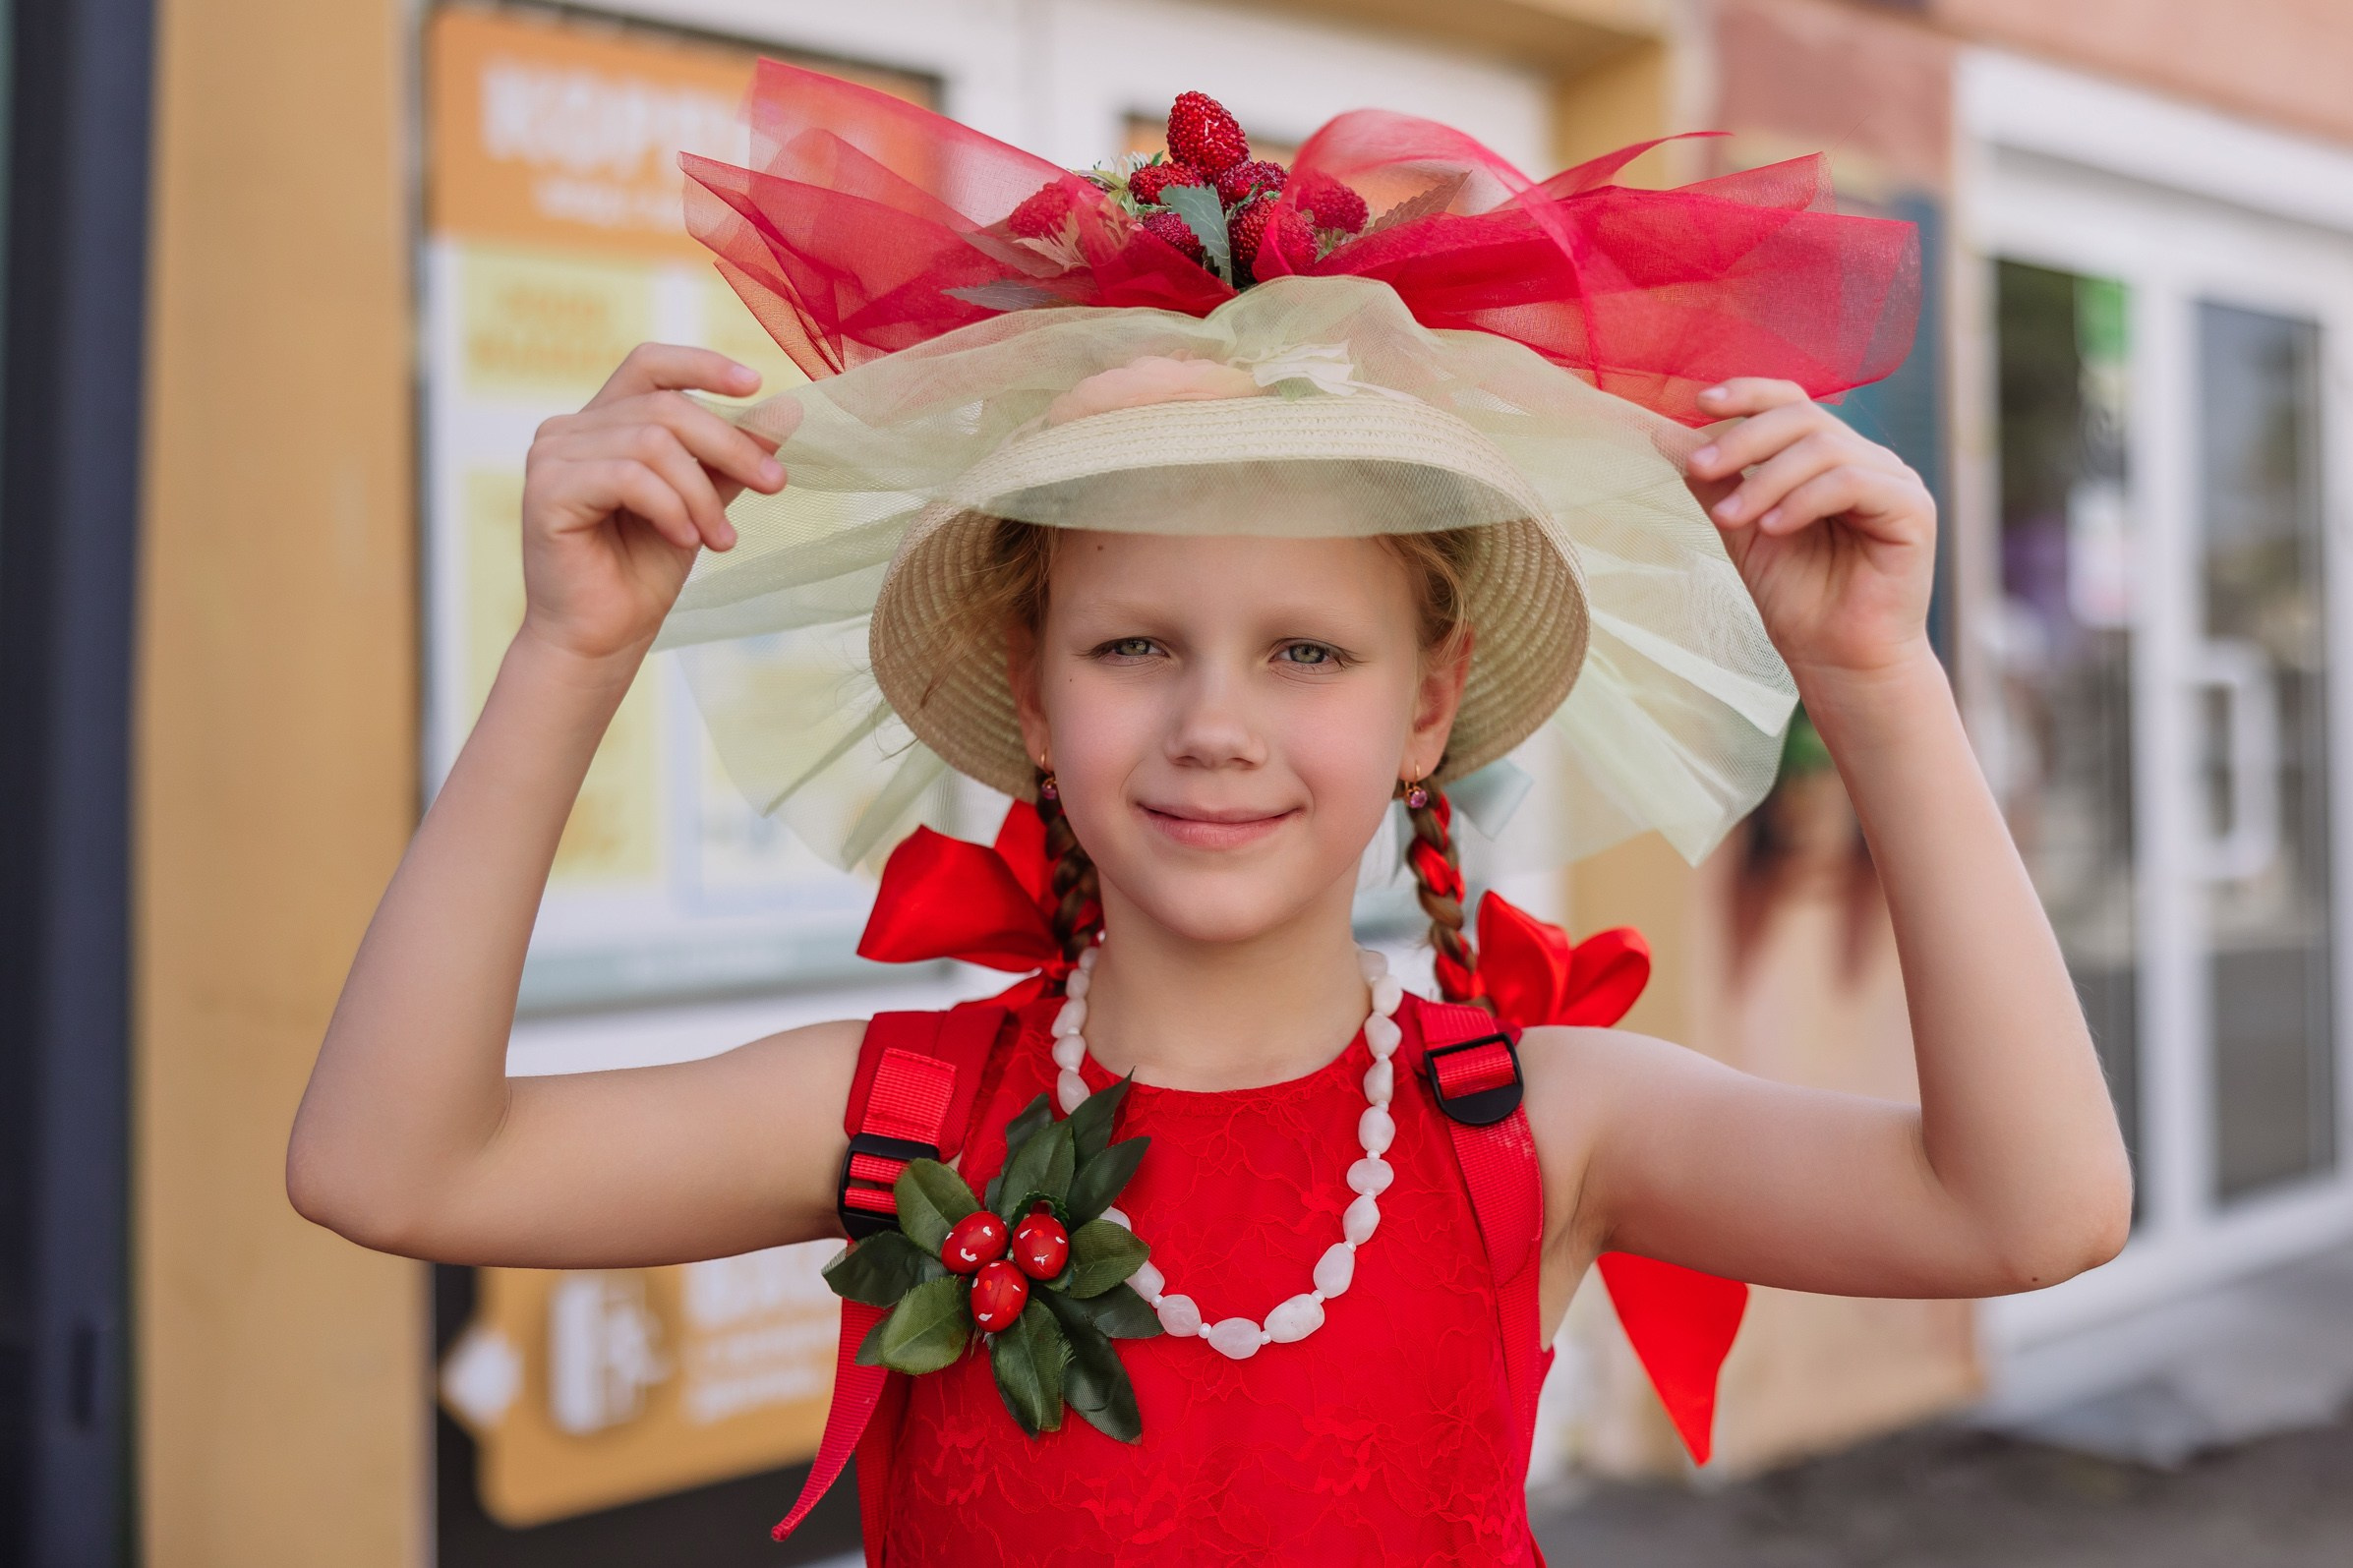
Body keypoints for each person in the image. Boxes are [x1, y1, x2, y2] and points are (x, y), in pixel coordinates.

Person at [288, 72, 2130, 1565]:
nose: (1214, 723)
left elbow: (2033, 1208)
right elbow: (390, 1171)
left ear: (1425, 706)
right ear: (1029, 691)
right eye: (1136, 643)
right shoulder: (904, 1109)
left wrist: (1879, 684)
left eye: (1306, 650)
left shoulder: (1546, 1121)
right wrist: (568, 653)